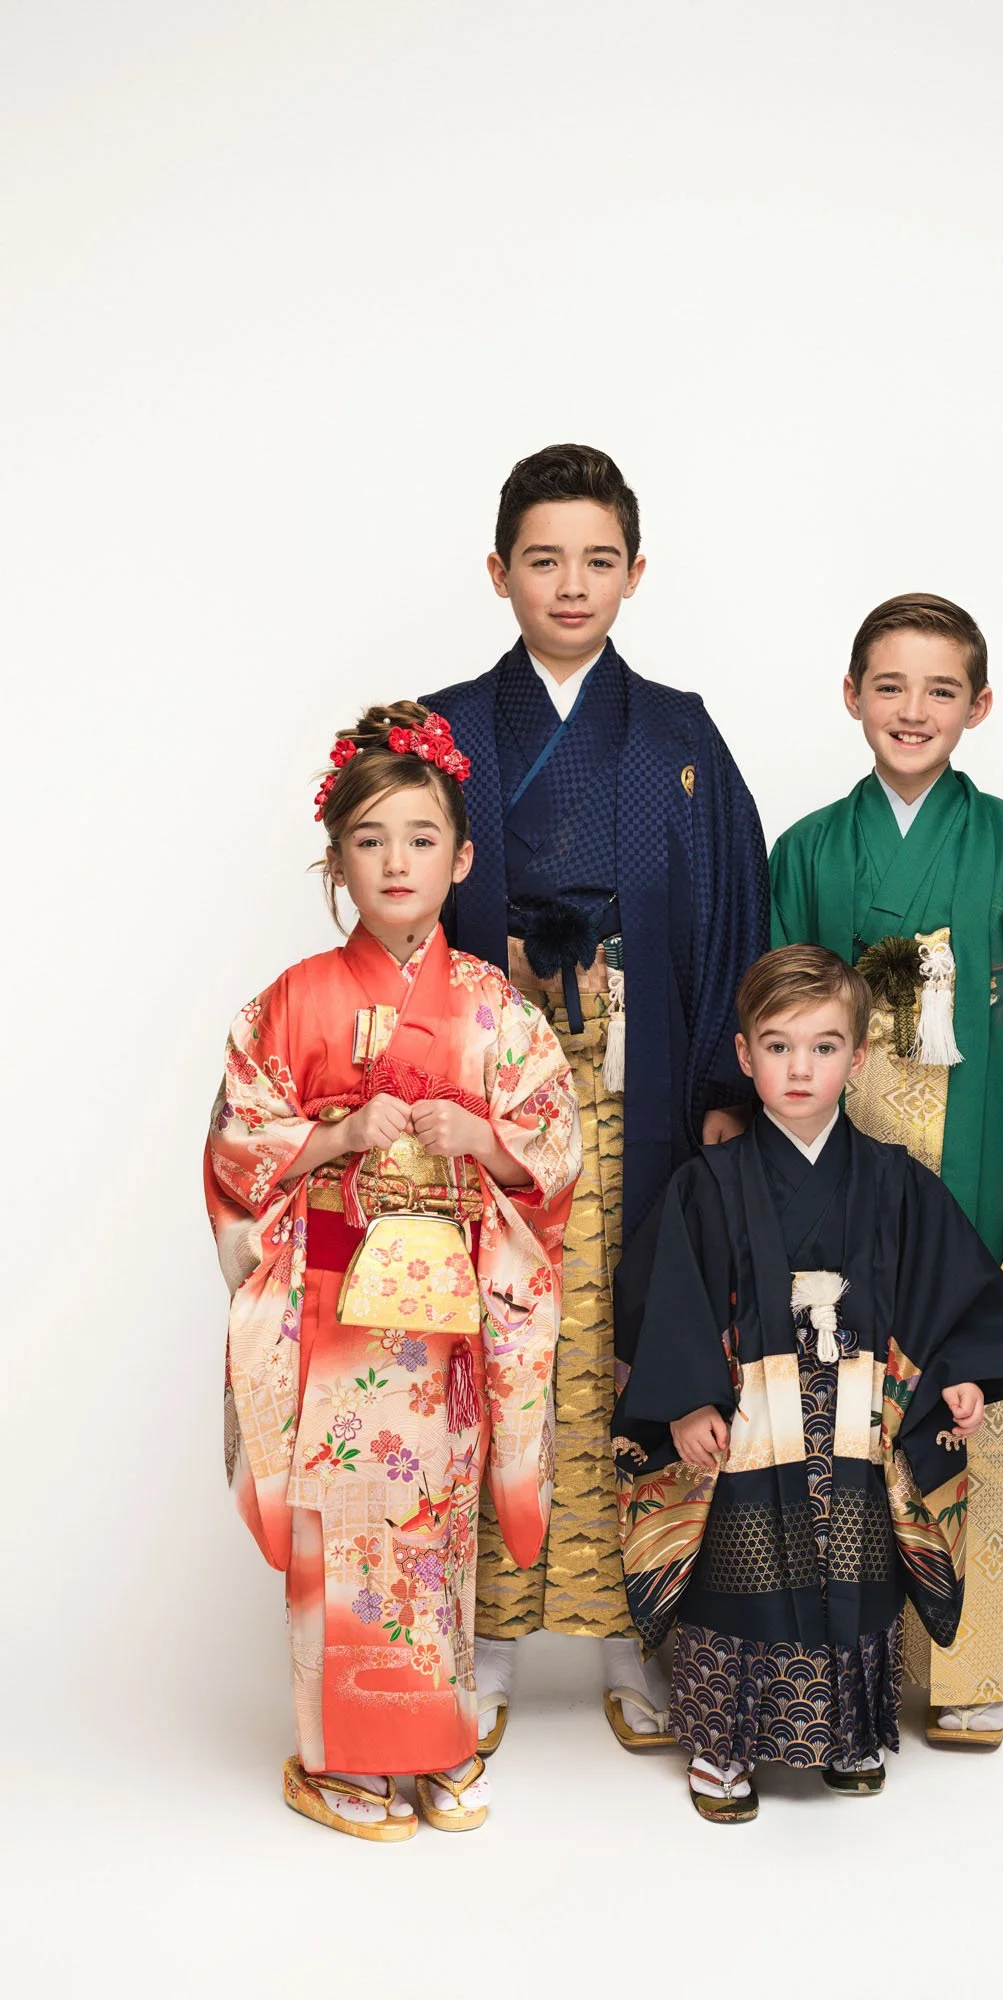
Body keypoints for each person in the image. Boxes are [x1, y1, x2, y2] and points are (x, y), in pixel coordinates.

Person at [422, 443, 769, 1751]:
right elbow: (397, 895)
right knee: (497, 1347)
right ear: (498, 571)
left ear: (634, 572)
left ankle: (638, 1627)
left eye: (597, 559)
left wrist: (723, 1088)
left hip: (641, 1088)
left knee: (642, 1337)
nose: (571, 583)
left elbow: (731, 905)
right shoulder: (446, 730)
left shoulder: (675, 733)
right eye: (544, 558)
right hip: (485, 1101)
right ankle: (487, 1632)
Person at [205, 701, 581, 1838]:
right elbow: (236, 1145)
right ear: (338, 862)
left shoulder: (496, 1008)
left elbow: (552, 1149)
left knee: (432, 1526)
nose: (397, 861)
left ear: (460, 859)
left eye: (422, 838)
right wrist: (335, 1135)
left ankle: (434, 1742)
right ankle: (338, 1760)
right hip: (332, 1309)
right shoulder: (290, 1002)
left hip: (447, 1317)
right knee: (343, 1522)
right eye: (370, 840)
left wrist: (485, 1143)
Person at [769, 593, 1003, 1748]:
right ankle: (848, 1658)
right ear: (850, 695)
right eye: (888, 685)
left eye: (938, 689)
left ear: (978, 703)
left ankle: (970, 1667)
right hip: (847, 1161)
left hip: (982, 1159)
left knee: (976, 1391)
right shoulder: (807, 849)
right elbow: (773, 1022)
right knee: (840, 1394)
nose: (910, 710)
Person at [611, 947, 1003, 1819]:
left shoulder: (893, 1181)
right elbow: (662, 1295)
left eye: (823, 1047)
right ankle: (723, 1745)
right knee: (739, 1574)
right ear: (745, 1056)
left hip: (857, 1427)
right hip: (746, 1425)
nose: (799, 1069)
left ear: (860, 1055)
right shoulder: (708, 1185)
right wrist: (688, 1400)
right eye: (777, 1047)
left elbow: (950, 1292)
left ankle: (847, 1734)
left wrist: (956, 1377)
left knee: (855, 1570)